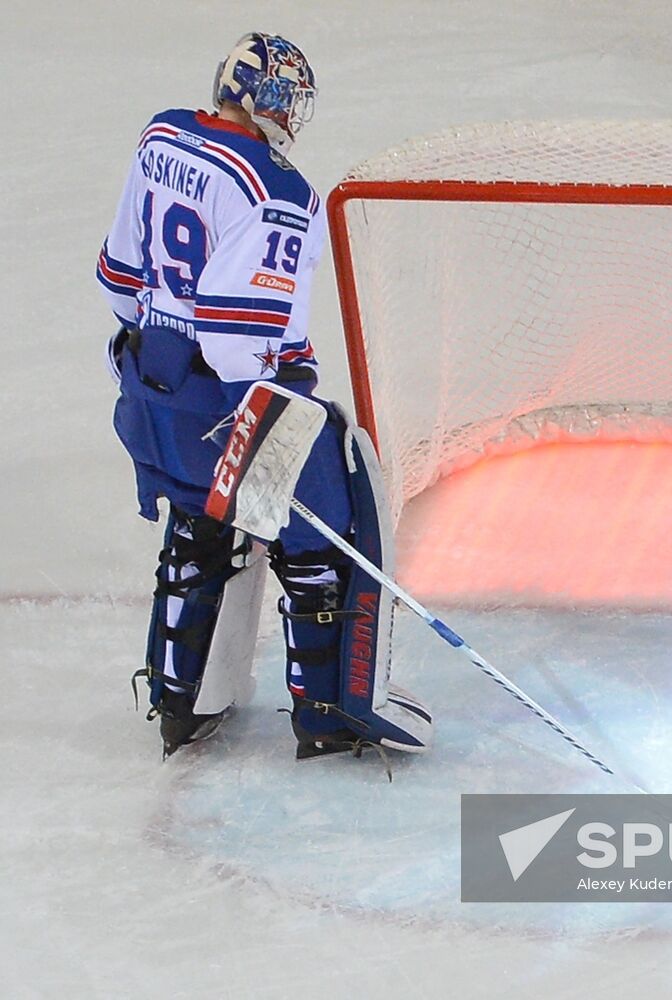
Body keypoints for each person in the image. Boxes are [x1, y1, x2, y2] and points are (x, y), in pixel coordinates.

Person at [97, 32, 432, 760]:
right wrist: (276, 409)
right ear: (277, 102)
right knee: (324, 527)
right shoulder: (278, 190)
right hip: (225, 411)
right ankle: (326, 715)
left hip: (146, 404)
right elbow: (232, 342)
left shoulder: (162, 134)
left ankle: (177, 699)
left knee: (199, 526)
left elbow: (120, 282)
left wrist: (159, 359)